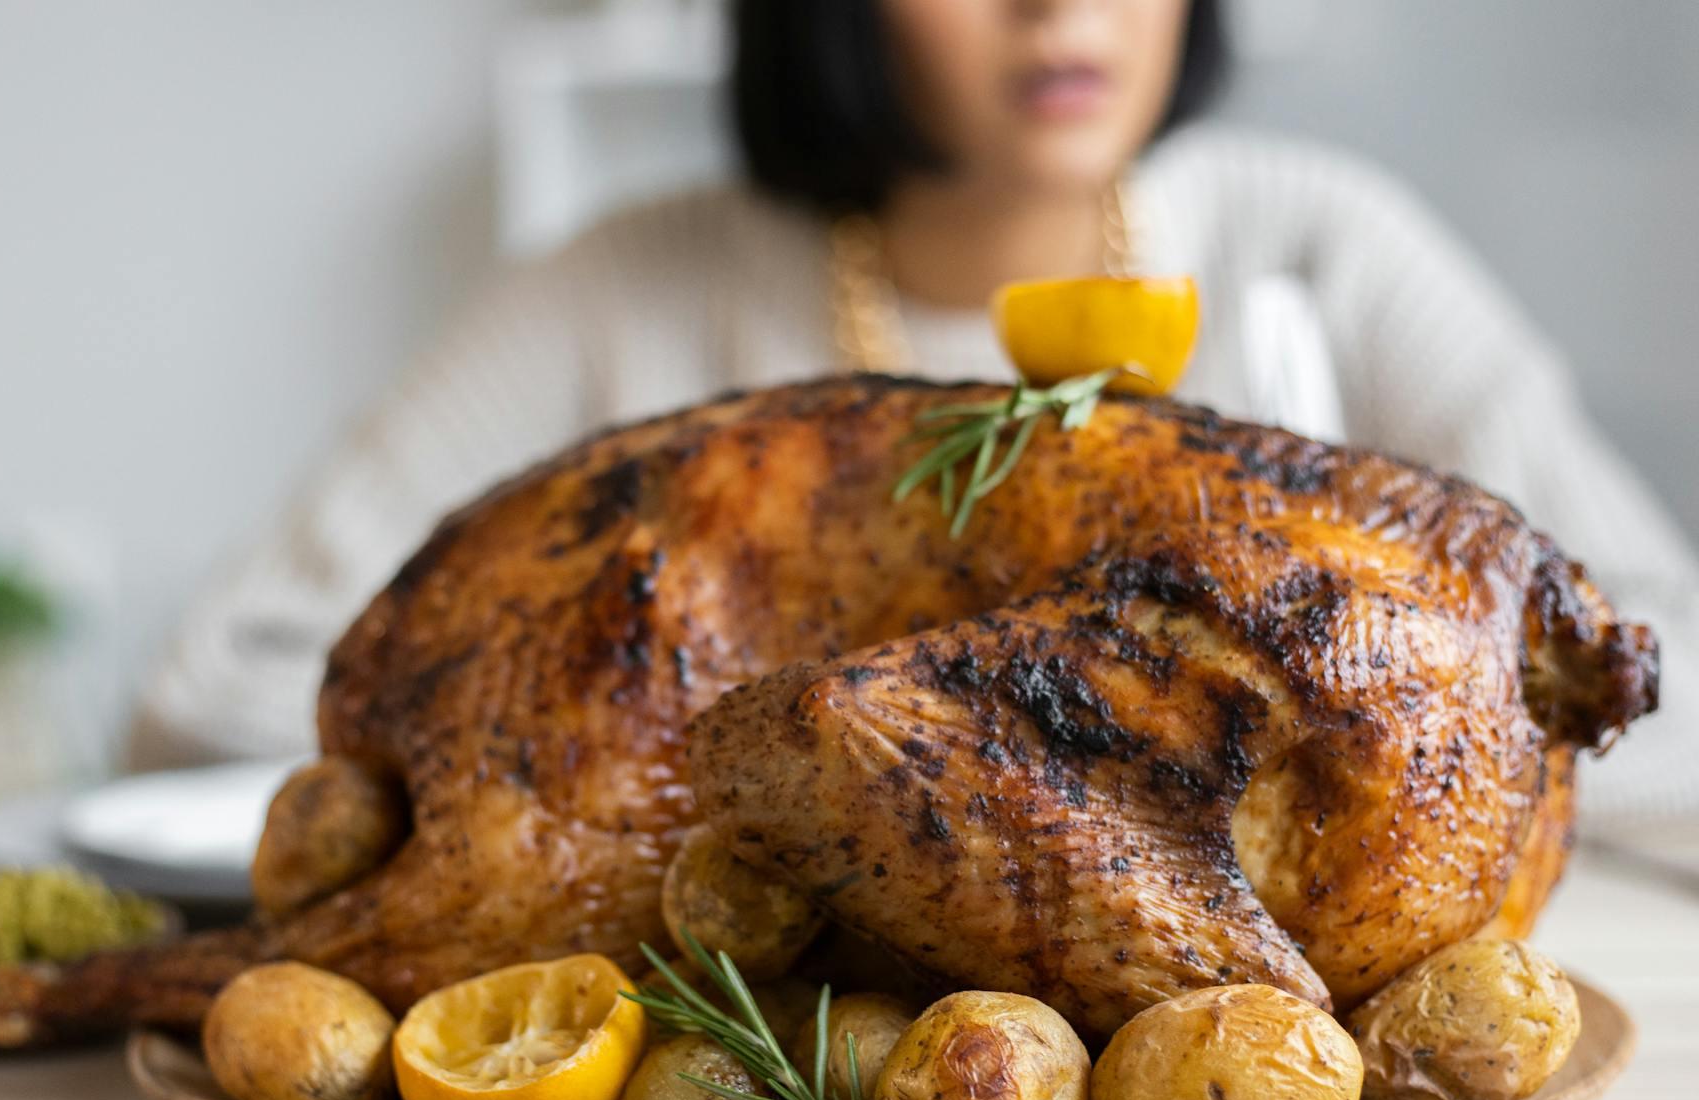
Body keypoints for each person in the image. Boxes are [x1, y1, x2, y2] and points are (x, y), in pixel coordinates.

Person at [130, 0, 1696, 826]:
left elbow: (1658, 648)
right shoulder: (624, 290)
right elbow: (214, 686)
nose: (1061, 6)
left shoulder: (1319, 249)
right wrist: (631, 769)